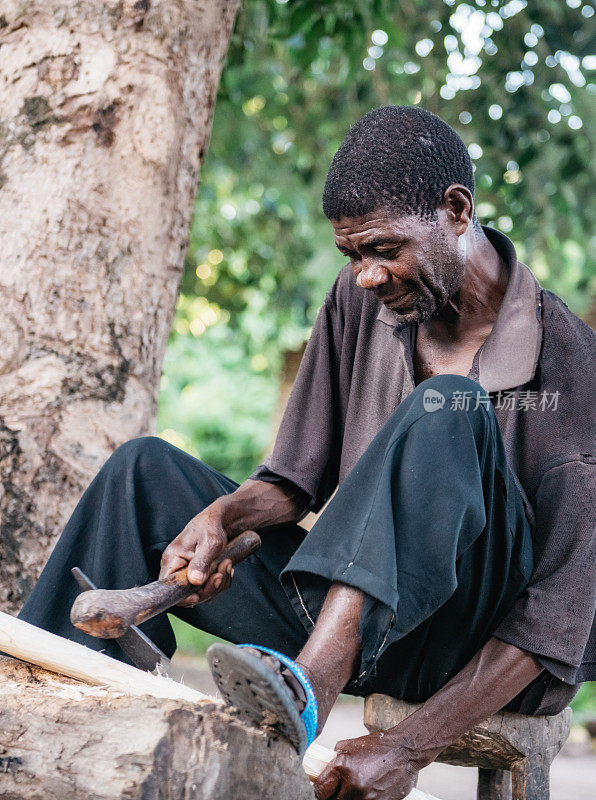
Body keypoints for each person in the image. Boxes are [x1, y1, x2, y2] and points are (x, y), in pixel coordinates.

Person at [20, 106, 595, 800]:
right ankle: (30, 727)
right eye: (352, 255)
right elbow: (294, 482)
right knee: (141, 472)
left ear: (456, 210)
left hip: (465, 648)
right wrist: (222, 518)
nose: (366, 276)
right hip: (348, 615)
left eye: (384, 248)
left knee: (451, 407)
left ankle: (310, 683)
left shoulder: (573, 368)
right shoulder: (363, 304)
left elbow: (552, 629)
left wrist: (408, 747)